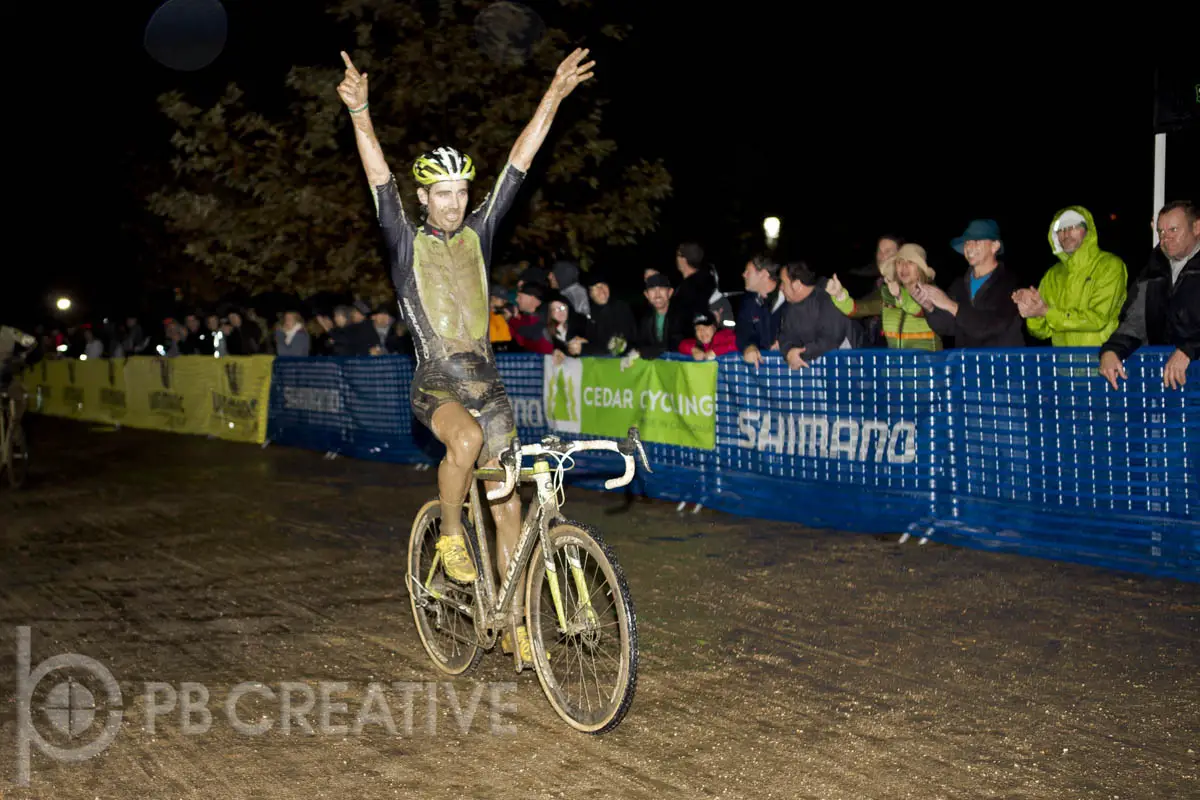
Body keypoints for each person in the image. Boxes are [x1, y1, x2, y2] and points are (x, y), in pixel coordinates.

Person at [338, 46, 595, 663]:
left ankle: (514, 623)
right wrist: (361, 113)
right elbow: (378, 176)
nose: (453, 203)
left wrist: (554, 94)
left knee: (511, 512)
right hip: (435, 381)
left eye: (461, 193)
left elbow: (519, 161)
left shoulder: (479, 234)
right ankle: (450, 535)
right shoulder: (405, 240)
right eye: (441, 194)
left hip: (488, 382)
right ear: (424, 198)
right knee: (467, 442)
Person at [1100, 200, 1200, 391]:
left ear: (1196, 227)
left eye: (1173, 230)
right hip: (1166, 383)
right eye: (1160, 232)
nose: (1165, 238)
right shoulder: (1153, 272)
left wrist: (1189, 349)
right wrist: (1112, 350)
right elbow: (1135, 323)